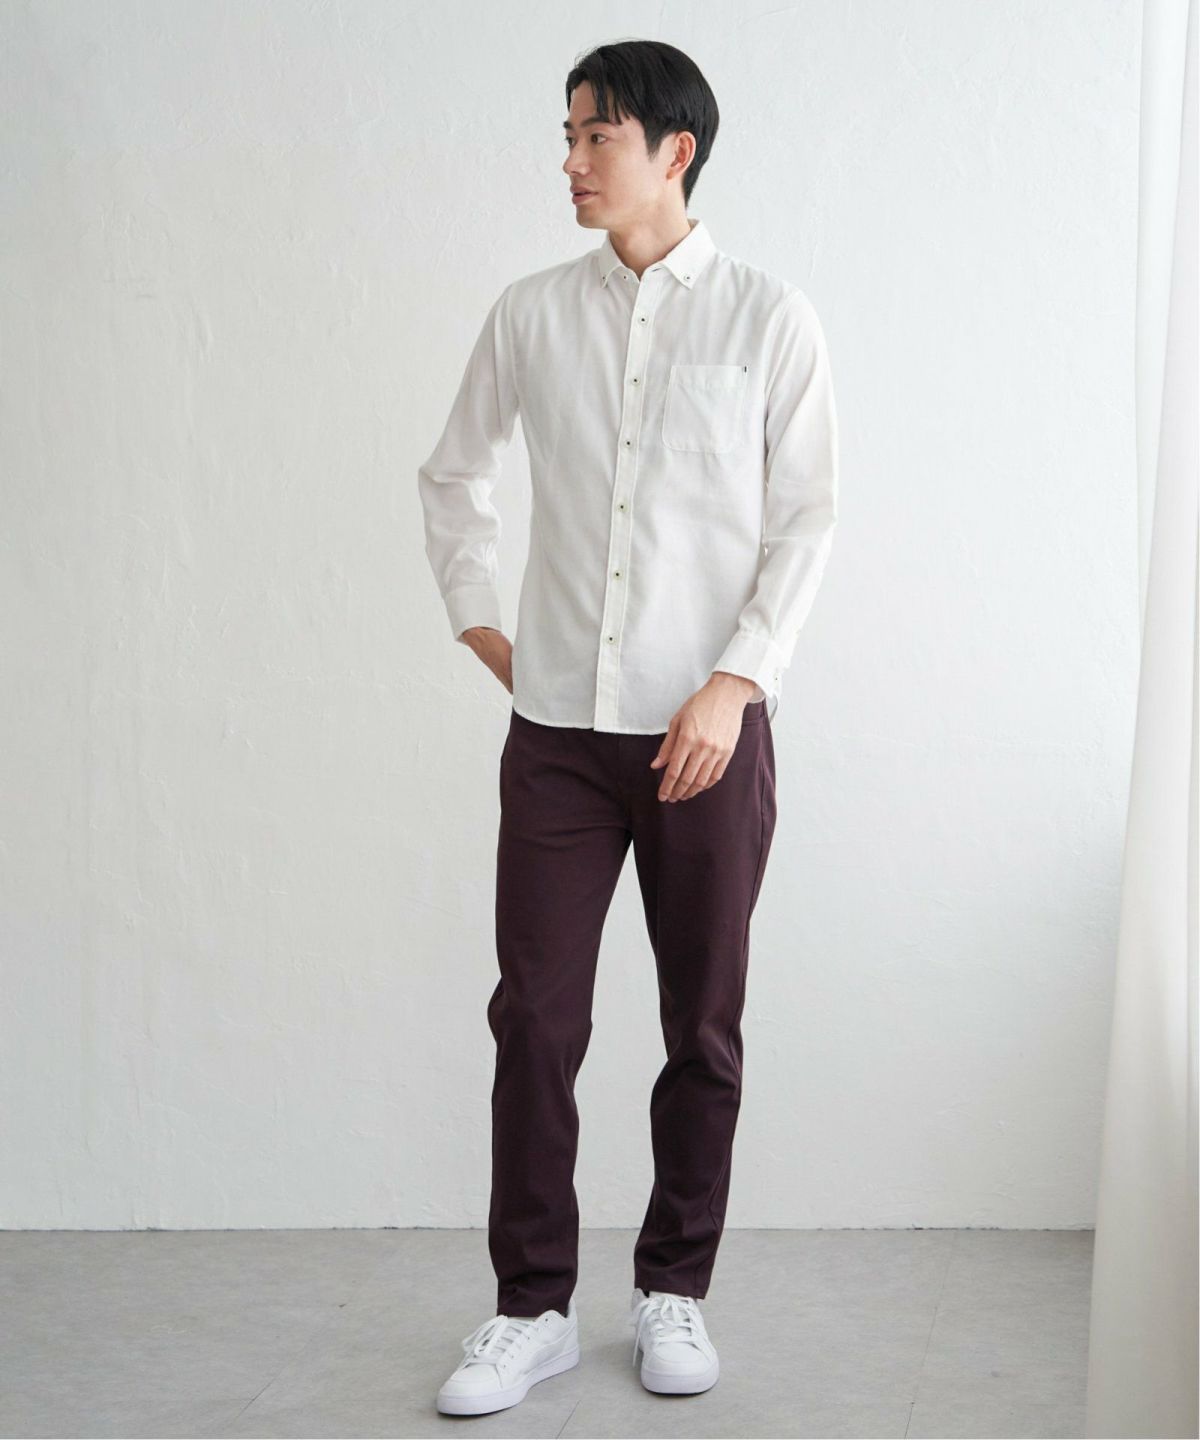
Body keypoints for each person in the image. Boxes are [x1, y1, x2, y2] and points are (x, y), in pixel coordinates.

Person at [418, 37, 839, 1417]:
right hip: (556, 734)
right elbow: (453, 477)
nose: (571, 160)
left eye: (596, 135)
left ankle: (675, 1290)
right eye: (568, 133)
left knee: (701, 1023)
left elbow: (807, 520)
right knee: (533, 1019)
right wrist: (483, 624)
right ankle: (529, 1307)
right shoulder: (531, 315)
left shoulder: (769, 319)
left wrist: (736, 680)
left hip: (704, 737)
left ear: (676, 150)